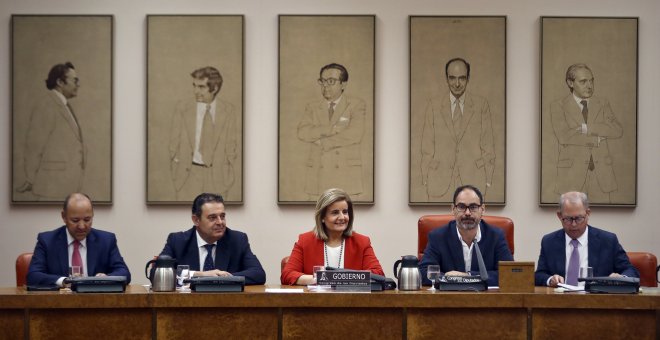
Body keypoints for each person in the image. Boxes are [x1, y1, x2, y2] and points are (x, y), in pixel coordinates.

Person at [421, 58, 496, 202]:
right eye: (452, 78)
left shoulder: (481, 106)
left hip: (474, 180)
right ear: (446, 78)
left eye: (462, 78)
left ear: (468, 78)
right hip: (439, 181)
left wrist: (488, 180)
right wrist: (425, 178)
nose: (457, 84)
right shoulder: (433, 105)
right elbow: (427, 146)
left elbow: (488, 145)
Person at [550, 64, 623, 203]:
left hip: (601, 176)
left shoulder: (602, 103)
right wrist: (596, 140)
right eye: (583, 81)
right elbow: (564, 136)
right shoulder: (558, 105)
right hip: (572, 176)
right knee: (572, 220)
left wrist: (586, 128)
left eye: (591, 81)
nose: (589, 85)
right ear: (570, 83)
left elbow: (617, 130)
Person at [281, 188, 384, 285]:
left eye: (345, 212)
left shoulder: (362, 242)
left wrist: (338, 279)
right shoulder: (305, 241)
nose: (342, 217)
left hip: (352, 301)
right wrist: (321, 279)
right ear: (322, 217)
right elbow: (287, 275)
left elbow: (378, 274)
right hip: (315, 301)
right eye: (335, 212)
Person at [157, 193, 265, 285]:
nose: (220, 222)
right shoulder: (177, 241)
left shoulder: (237, 240)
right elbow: (155, 273)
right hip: (188, 306)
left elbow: (258, 274)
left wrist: (223, 277)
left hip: (227, 305)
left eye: (222, 216)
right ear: (196, 220)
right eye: (212, 218)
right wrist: (200, 275)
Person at [534, 191, 638, 287]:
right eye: (568, 219)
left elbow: (630, 271)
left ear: (588, 214)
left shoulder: (608, 241)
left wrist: (621, 278)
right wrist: (550, 279)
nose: (574, 224)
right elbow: (539, 275)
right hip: (560, 301)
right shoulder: (549, 242)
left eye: (579, 218)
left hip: (597, 301)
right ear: (559, 216)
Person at [27, 193, 131, 286]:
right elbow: (33, 276)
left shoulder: (106, 241)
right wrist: (65, 281)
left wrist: (106, 278)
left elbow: (124, 273)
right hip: (58, 304)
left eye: (87, 220)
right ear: (64, 217)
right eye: (75, 220)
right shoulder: (47, 241)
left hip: (97, 303)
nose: (82, 226)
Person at [418, 185, 512, 286]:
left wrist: (466, 276)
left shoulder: (496, 236)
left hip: (485, 300)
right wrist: (450, 278)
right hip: (448, 300)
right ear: (453, 209)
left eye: (473, 207)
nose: (467, 213)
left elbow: (508, 275)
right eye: (461, 207)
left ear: (483, 209)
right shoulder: (438, 237)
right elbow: (423, 273)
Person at [17, 62, 86, 200]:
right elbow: (34, 146)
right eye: (75, 80)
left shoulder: (63, 105)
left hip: (63, 185)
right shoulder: (47, 104)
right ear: (60, 82)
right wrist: (31, 179)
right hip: (51, 187)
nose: (78, 84)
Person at [169, 66, 239, 201]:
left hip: (218, 178)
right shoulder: (182, 108)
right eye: (194, 86)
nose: (196, 91)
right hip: (188, 176)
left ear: (215, 88)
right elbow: (173, 143)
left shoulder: (229, 110)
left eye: (201, 87)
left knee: (215, 219)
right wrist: (176, 169)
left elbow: (232, 145)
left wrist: (227, 173)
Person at [297, 63, 366, 199]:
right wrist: (331, 129)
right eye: (322, 81)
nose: (325, 85)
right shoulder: (312, 107)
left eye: (331, 81)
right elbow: (303, 132)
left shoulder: (356, 105)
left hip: (346, 175)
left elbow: (355, 134)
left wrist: (323, 142)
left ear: (343, 84)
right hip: (318, 175)